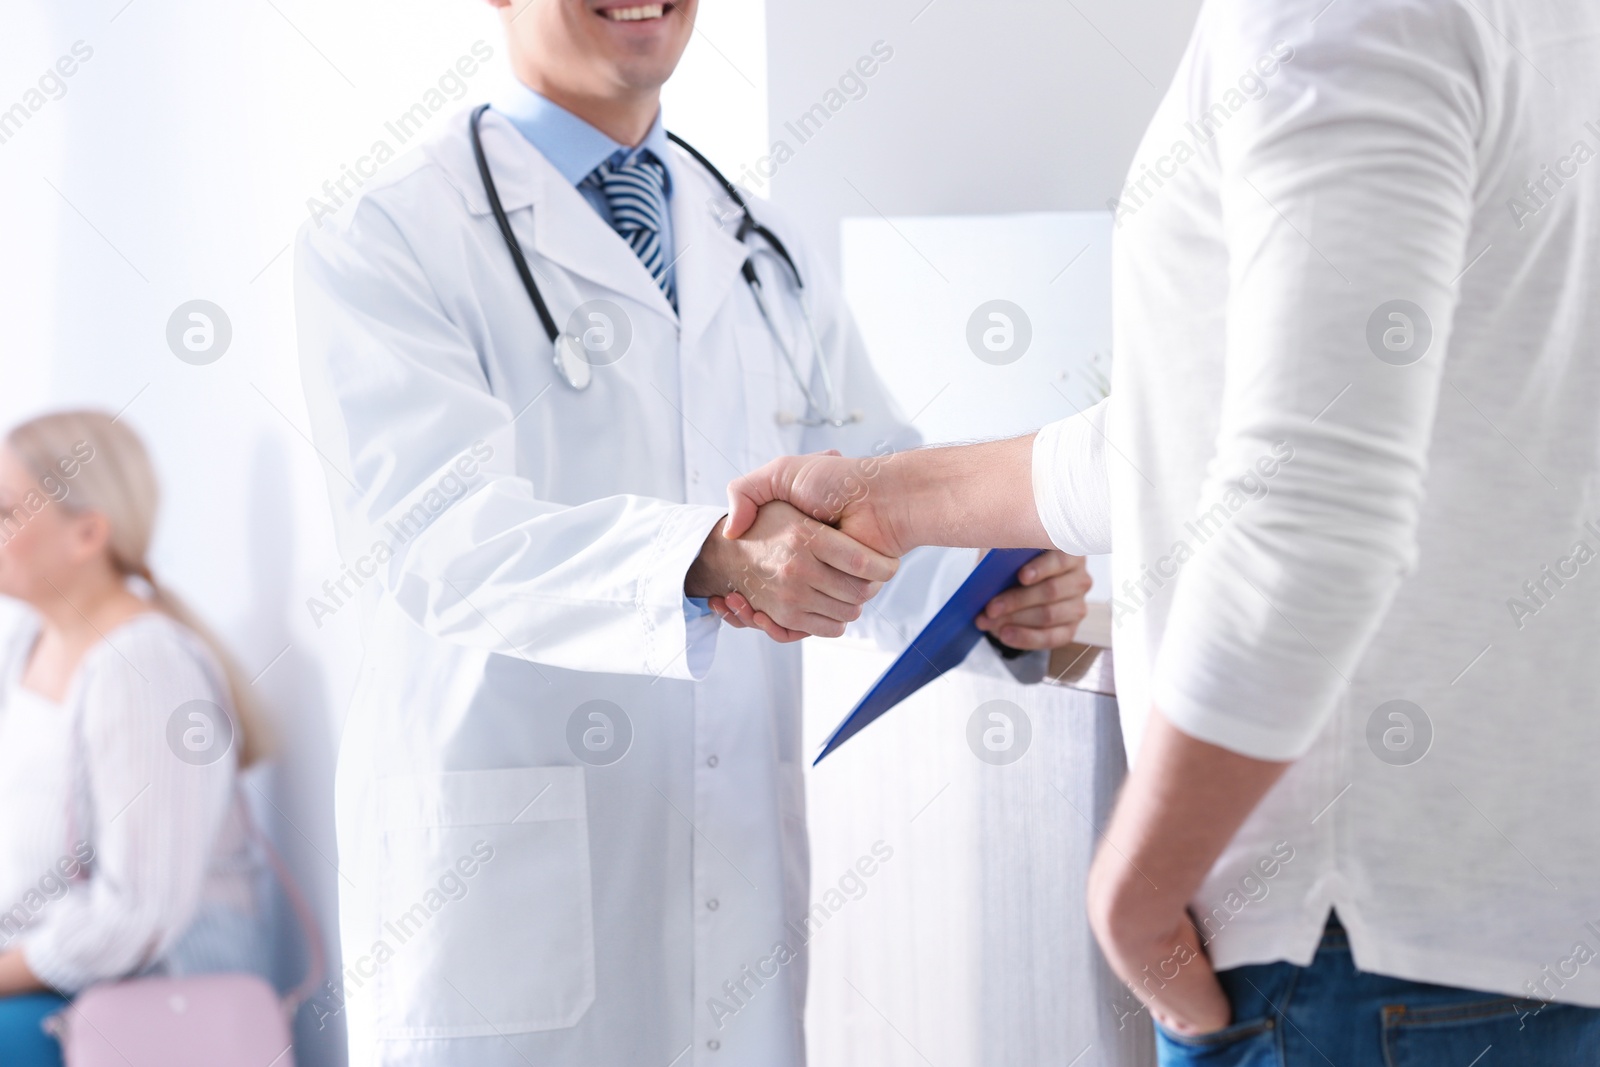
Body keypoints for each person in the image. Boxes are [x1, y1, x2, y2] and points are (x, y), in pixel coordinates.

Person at [725, 0, 1600, 1062]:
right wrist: (889, 494)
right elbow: (1201, 433)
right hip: (1509, 924)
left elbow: (1309, 503)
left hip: (1340, 952)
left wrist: (1132, 898)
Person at [292, 1, 1090, 1064]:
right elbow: (439, 535)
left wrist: (991, 595)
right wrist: (705, 556)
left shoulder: (760, 240)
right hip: (502, 877)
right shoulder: (385, 230)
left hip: (734, 871)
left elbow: (873, 484)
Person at [0, 411, 270, 1067]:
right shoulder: (22, 646)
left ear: (87, 533)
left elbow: (137, 913)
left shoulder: (143, 668)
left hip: (128, 1005)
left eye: (5, 511)